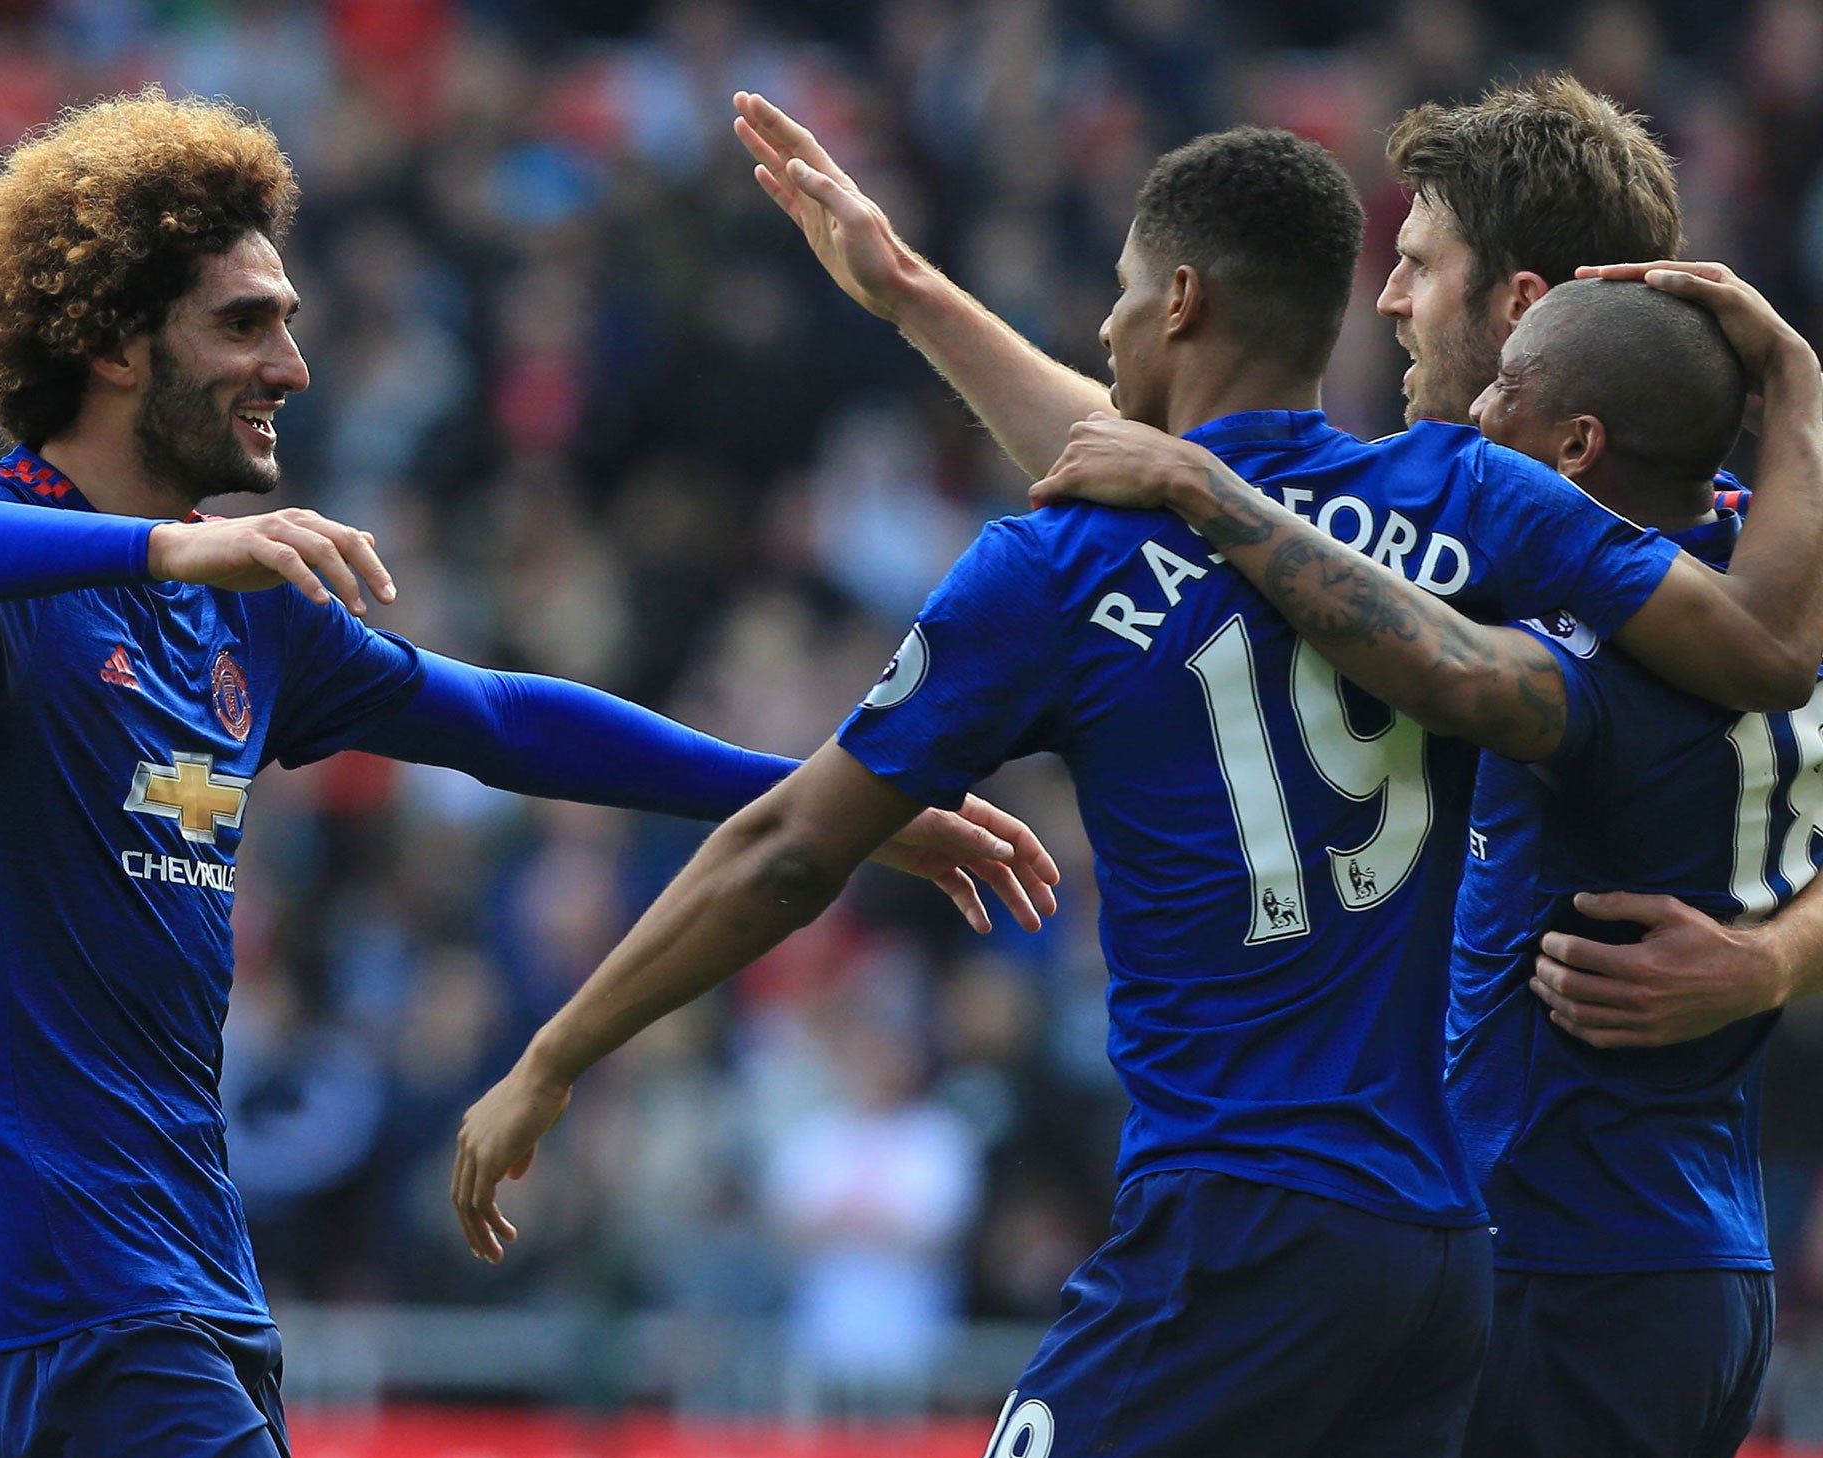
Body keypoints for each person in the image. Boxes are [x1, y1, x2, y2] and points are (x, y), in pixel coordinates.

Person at [451, 127, 1820, 1458]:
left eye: (1118, 291)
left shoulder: (1062, 559)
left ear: (1177, 302)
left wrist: (555, 1055)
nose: (1100, 328)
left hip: (1255, 1222)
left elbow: (789, 849)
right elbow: (1762, 645)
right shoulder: (1467, 506)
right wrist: (912, 287)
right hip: (1439, 1254)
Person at [0, 90, 1057, 1458]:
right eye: (243, 324)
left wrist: (840, 803)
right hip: (55, 1271)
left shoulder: (255, 624)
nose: (290, 361)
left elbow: (504, 720)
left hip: (185, 1267)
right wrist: (169, 545)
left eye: (286, 318)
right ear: (109, 341)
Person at [733, 75, 1823, 1033]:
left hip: (1550, 1214)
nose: (1386, 298)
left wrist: (1769, 962)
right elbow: (1192, 485)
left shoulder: (1559, 561)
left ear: (1518, 309)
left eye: (1415, 265)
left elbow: (1228, 504)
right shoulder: (1724, 543)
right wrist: (910, 294)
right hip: (1511, 1203)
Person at [1031, 267, 1818, 1458]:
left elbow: (1442, 668)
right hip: (1691, 1255)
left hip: (1569, 1253)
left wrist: (1206, 491)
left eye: (1425, 260)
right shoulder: (1759, 551)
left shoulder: (1605, 659)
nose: (1390, 300)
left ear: (1573, 433)